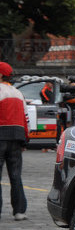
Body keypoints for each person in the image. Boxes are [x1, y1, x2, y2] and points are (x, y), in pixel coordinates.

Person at [0, 62, 29, 220]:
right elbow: (26, 120)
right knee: (15, 175)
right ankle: (19, 211)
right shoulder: (18, 93)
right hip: (17, 137)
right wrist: (25, 140)